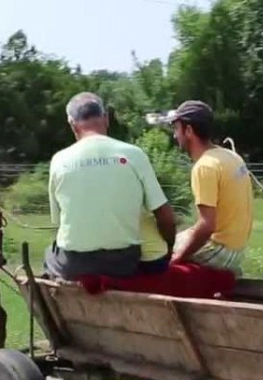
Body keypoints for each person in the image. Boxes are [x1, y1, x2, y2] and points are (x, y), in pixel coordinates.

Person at [44, 92, 177, 281]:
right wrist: (170, 245)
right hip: (123, 263)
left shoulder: (59, 160)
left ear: (72, 124)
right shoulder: (133, 154)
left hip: (74, 264)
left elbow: (58, 220)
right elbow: (164, 215)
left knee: (49, 254)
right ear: (106, 118)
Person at [162, 100, 254, 277]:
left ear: (189, 130)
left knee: (158, 251)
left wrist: (178, 258)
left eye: (177, 129)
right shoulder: (230, 156)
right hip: (237, 250)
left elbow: (207, 226)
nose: (175, 135)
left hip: (220, 252)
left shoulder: (205, 166)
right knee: (178, 239)